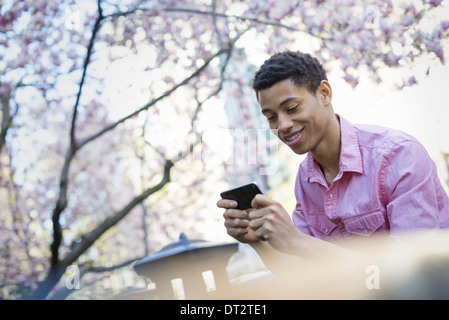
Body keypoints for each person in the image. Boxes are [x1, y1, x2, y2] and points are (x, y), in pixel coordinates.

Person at [216, 51, 449, 272]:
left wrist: (297, 241)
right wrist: (258, 242)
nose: (283, 125)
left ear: (324, 93)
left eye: (292, 108)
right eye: (271, 117)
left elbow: (414, 270)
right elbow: (305, 277)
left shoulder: (399, 156)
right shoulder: (306, 179)